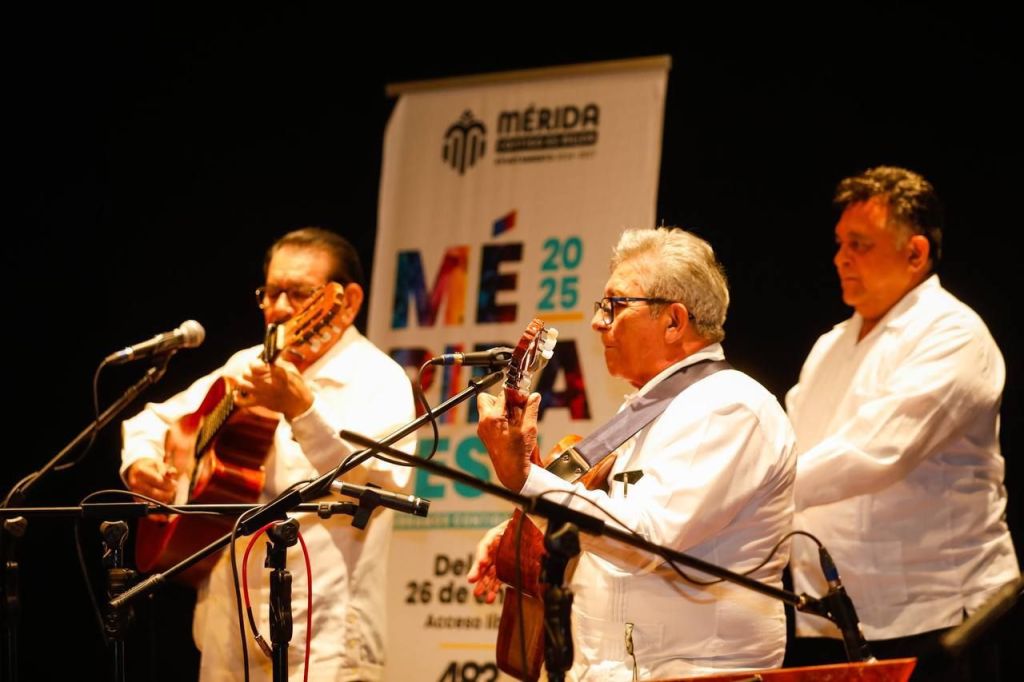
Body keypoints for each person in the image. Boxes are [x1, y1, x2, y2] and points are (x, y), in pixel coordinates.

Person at [469, 227, 797, 680]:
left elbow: (647, 538)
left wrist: (526, 479)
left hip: (694, 672)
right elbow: (615, 520)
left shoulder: (727, 406)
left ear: (674, 321)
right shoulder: (647, 409)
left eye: (615, 305)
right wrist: (527, 530)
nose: (597, 321)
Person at [121, 227, 416, 681]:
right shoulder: (248, 365)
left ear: (347, 301)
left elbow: (383, 483)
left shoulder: (378, 377)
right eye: (270, 292)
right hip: (227, 632)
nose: (278, 308)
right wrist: (142, 464)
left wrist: (303, 411)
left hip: (326, 640)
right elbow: (154, 420)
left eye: (298, 294)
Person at [785, 166, 1020, 679]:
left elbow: (876, 452)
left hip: (942, 617)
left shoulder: (954, 334)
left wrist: (753, 490)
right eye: (840, 243)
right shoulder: (829, 347)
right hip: (839, 617)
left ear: (915, 253)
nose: (840, 257)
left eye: (859, 244)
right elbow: (786, 446)